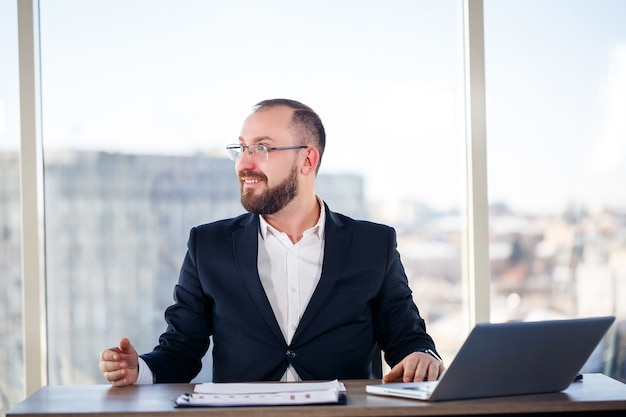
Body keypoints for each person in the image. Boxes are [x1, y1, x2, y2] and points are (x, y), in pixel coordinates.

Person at [99, 98, 444, 386]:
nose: (243, 164)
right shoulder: (208, 245)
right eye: (241, 148)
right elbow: (181, 349)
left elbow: (406, 336)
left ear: (307, 159)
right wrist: (139, 369)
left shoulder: (374, 244)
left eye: (261, 148)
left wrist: (421, 357)